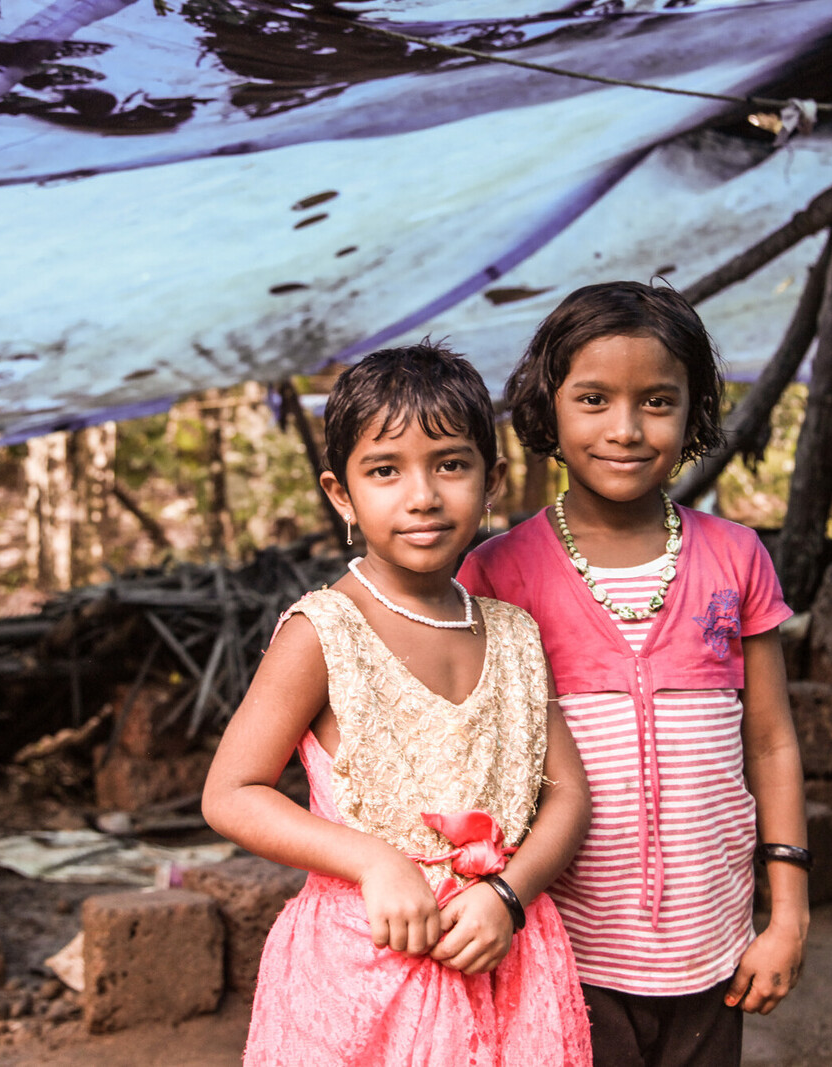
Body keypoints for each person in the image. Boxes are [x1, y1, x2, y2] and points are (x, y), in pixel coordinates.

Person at [202, 342, 593, 1067]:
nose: (422, 495)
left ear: (492, 479)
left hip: (504, 956)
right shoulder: (322, 632)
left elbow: (568, 793)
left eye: (450, 463)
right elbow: (231, 792)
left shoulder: (512, 633)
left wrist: (508, 894)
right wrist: (373, 861)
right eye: (385, 470)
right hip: (362, 972)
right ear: (341, 494)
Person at [459, 282, 810, 1067]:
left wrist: (786, 914)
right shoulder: (497, 573)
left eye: (656, 400)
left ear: (694, 411)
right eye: (593, 398)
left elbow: (773, 743)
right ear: (549, 408)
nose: (625, 428)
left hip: (711, 946)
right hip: (565, 947)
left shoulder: (736, 557)